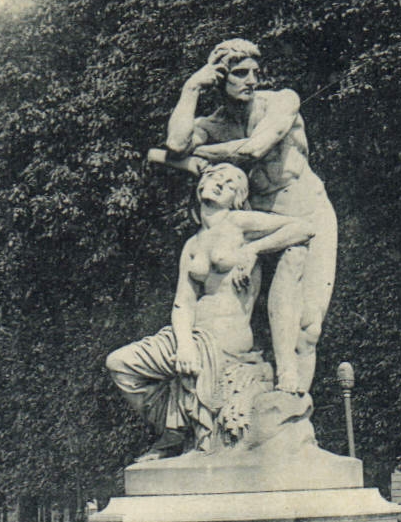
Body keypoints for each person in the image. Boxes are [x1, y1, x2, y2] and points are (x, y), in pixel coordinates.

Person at [164, 38, 338, 395]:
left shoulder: (281, 101)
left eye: (255, 72)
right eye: (239, 73)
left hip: (307, 210)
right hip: (257, 220)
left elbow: (256, 147)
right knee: (237, 308)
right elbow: (175, 144)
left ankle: (294, 410)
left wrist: (203, 156)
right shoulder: (213, 123)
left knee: (309, 328)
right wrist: (191, 86)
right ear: (219, 78)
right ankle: (258, 396)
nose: (251, 80)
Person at [106, 164, 308, 460]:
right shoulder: (192, 244)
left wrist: (254, 250)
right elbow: (183, 303)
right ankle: (172, 428)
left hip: (226, 337)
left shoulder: (239, 222)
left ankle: (175, 435)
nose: (218, 183)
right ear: (200, 185)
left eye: (229, 183)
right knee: (119, 363)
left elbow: (303, 228)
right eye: (213, 177)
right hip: (191, 335)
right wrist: (184, 343)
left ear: (237, 198)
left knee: (189, 363)